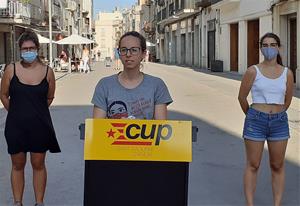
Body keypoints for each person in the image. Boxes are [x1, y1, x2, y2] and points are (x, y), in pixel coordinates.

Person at [0, 30, 61, 206]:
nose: (28, 52)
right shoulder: (11, 69)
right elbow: (3, 95)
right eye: (25, 49)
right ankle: (17, 202)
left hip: (40, 126)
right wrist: (16, 111)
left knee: (38, 164)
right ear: (20, 50)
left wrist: (36, 111)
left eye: (32, 48)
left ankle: (39, 202)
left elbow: (50, 97)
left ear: (37, 49)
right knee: (17, 164)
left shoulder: (48, 71)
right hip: (16, 127)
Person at [238, 32, 294, 206]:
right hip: (256, 121)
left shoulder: (287, 73)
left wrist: (276, 114)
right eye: (265, 45)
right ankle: (250, 204)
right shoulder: (252, 71)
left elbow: (287, 101)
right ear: (261, 48)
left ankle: (277, 204)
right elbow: (242, 97)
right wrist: (253, 115)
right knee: (253, 164)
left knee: (277, 165)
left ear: (278, 47)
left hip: (279, 122)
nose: (269, 49)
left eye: (272, 45)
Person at [92, 31, 172, 119]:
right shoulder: (104, 85)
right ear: (119, 53)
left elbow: (160, 126)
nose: (128, 54)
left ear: (143, 53)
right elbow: (97, 127)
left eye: (134, 50)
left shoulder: (157, 85)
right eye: (123, 50)